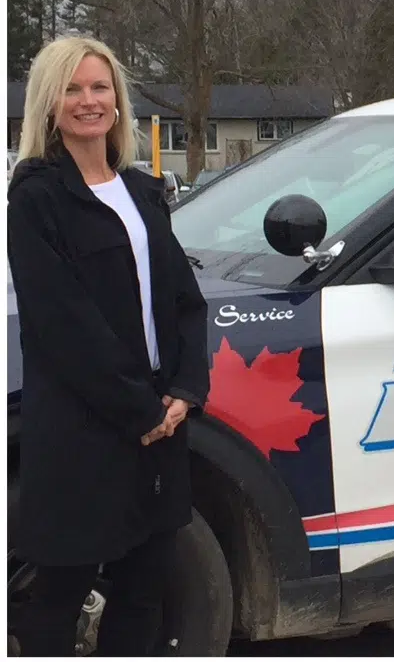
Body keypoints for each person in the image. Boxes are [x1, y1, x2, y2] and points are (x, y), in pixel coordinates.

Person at [8, 35, 210, 656]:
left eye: (99, 88)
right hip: (83, 431)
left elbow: (183, 301)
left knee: (145, 589)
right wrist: (139, 410)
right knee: (61, 594)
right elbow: (65, 327)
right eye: (72, 89)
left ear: (118, 102)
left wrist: (182, 390)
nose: (88, 101)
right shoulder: (35, 199)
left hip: (158, 427)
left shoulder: (143, 193)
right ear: (49, 104)